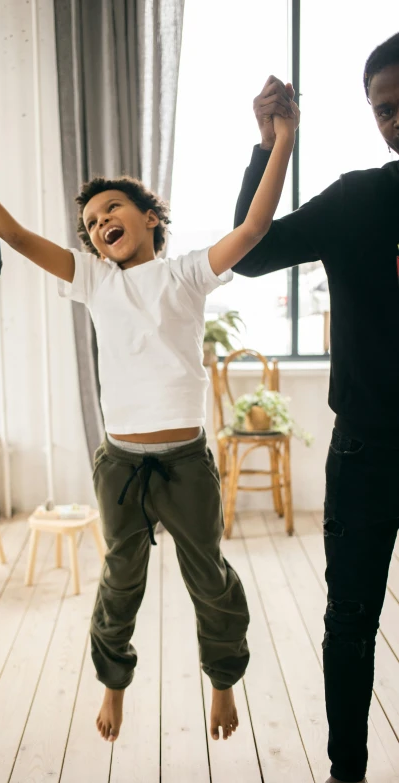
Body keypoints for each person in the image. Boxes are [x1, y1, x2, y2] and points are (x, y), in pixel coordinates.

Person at [0, 92, 298, 743]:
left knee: (208, 575)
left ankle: (221, 681)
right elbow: (17, 237)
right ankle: (114, 685)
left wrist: (280, 141)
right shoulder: (96, 281)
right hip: (121, 462)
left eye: (111, 208)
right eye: (90, 221)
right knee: (120, 581)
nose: (99, 220)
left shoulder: (185, 274)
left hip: (185, 461)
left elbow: (251, 231)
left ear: (149, 216)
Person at [232, 33, 399, 783]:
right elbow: (251, 252)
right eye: (385, 110)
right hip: (368, 446)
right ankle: (347, 770)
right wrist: (271, 148)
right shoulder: (360, 198)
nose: (396, 120)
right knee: (350, 620)